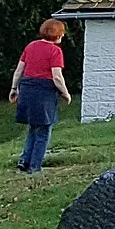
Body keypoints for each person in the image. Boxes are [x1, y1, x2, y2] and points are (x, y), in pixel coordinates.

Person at [8, 18, 72, 173]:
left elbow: (19, 70)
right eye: (62, 34)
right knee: (43, 130)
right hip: (43, 91)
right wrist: (65, 93)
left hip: (27, 88)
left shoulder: (31, 46)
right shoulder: (55, 51)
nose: (62, 36)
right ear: (57, 35)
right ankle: (35, 167)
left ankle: (24, 161)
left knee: (33, 127)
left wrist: (14, 88)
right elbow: (56, 76)